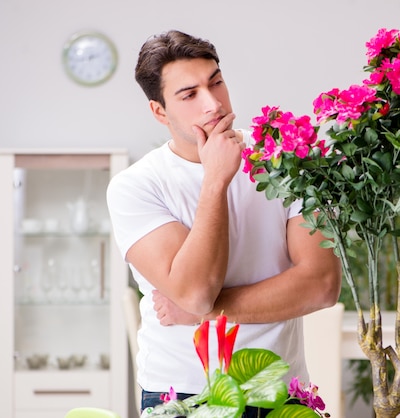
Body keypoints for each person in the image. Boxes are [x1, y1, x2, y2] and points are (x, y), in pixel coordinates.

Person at [106, 29, 342, 417]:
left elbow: (321, 285)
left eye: (216, 82)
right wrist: (216, 179)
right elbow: (197, 290)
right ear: (159, 111)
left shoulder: (288, 161)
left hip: (282, 389)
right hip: (183, 394)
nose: (213, 103)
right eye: (189, 94)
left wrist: (202, 314)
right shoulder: (135, 187)